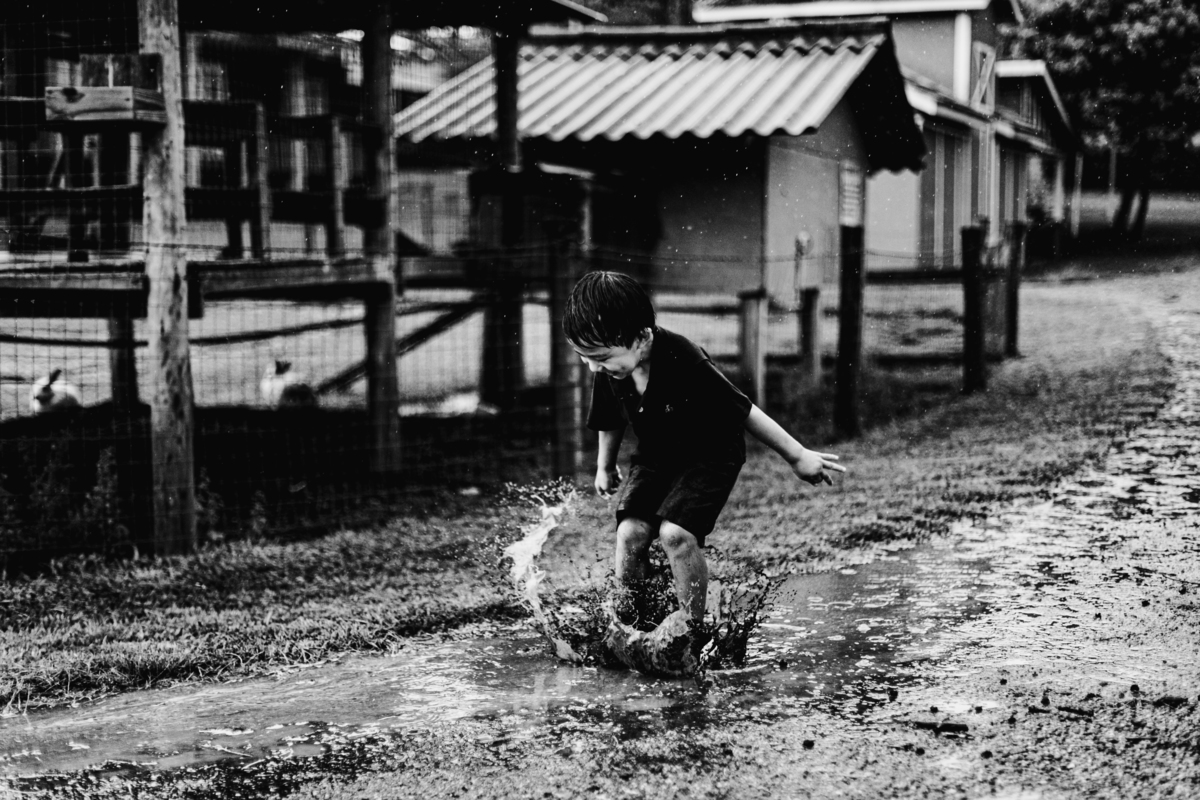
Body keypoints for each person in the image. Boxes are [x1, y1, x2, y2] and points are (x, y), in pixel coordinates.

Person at [562, 271, 845, 638]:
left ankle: (690, 633)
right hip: (657, 454)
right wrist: (605, 465)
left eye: (600, 358)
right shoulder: (610, 368)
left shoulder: (684, 359)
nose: (593, 367)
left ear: (641, 337)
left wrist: (797, 456)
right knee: (630, 532)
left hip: (711, 454)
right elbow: (609, 418)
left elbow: (744, 411)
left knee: (675, 534)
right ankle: (632, 625)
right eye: (584, 357)